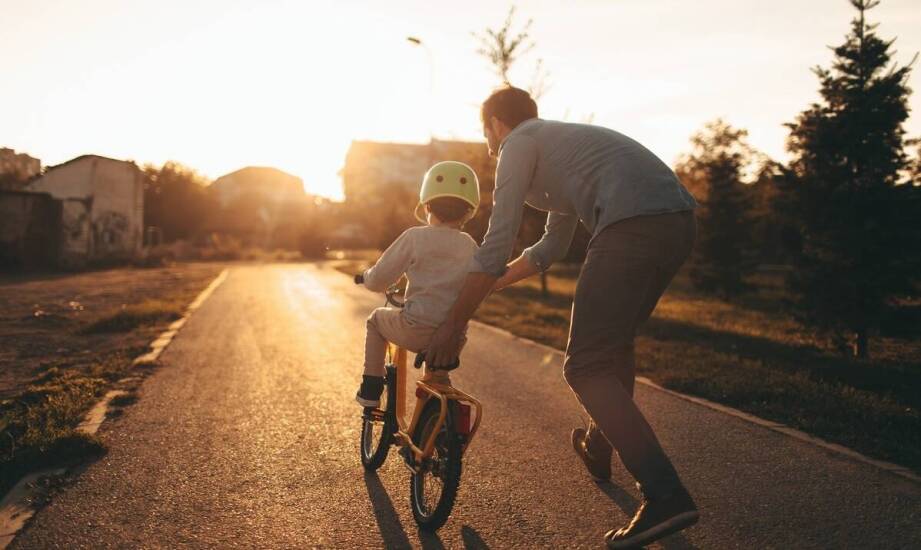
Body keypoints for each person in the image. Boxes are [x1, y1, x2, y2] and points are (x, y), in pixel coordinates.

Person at [425, 86, 699, 549]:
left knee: (584, 366)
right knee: (613, 350)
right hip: (677, 222)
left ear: (494, 124)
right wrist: (487, 287)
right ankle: (599, 443)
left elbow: (497, 242)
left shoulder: (519, 144)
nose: (488, 142)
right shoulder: (559, 149)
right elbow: (549, 249)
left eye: (485, 130)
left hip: (631, 225)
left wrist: (454, 324)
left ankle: (665, 494)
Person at [354, 161, 480, 408]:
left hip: (416, 329)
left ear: (426, 204)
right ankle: (432, 426)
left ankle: (370, 388)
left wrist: (367, 277)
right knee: (437, 379)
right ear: (468, 211)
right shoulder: (470, 245)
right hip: (454, 338)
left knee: (376, 320)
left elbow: (380, 278)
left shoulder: (415, 237)